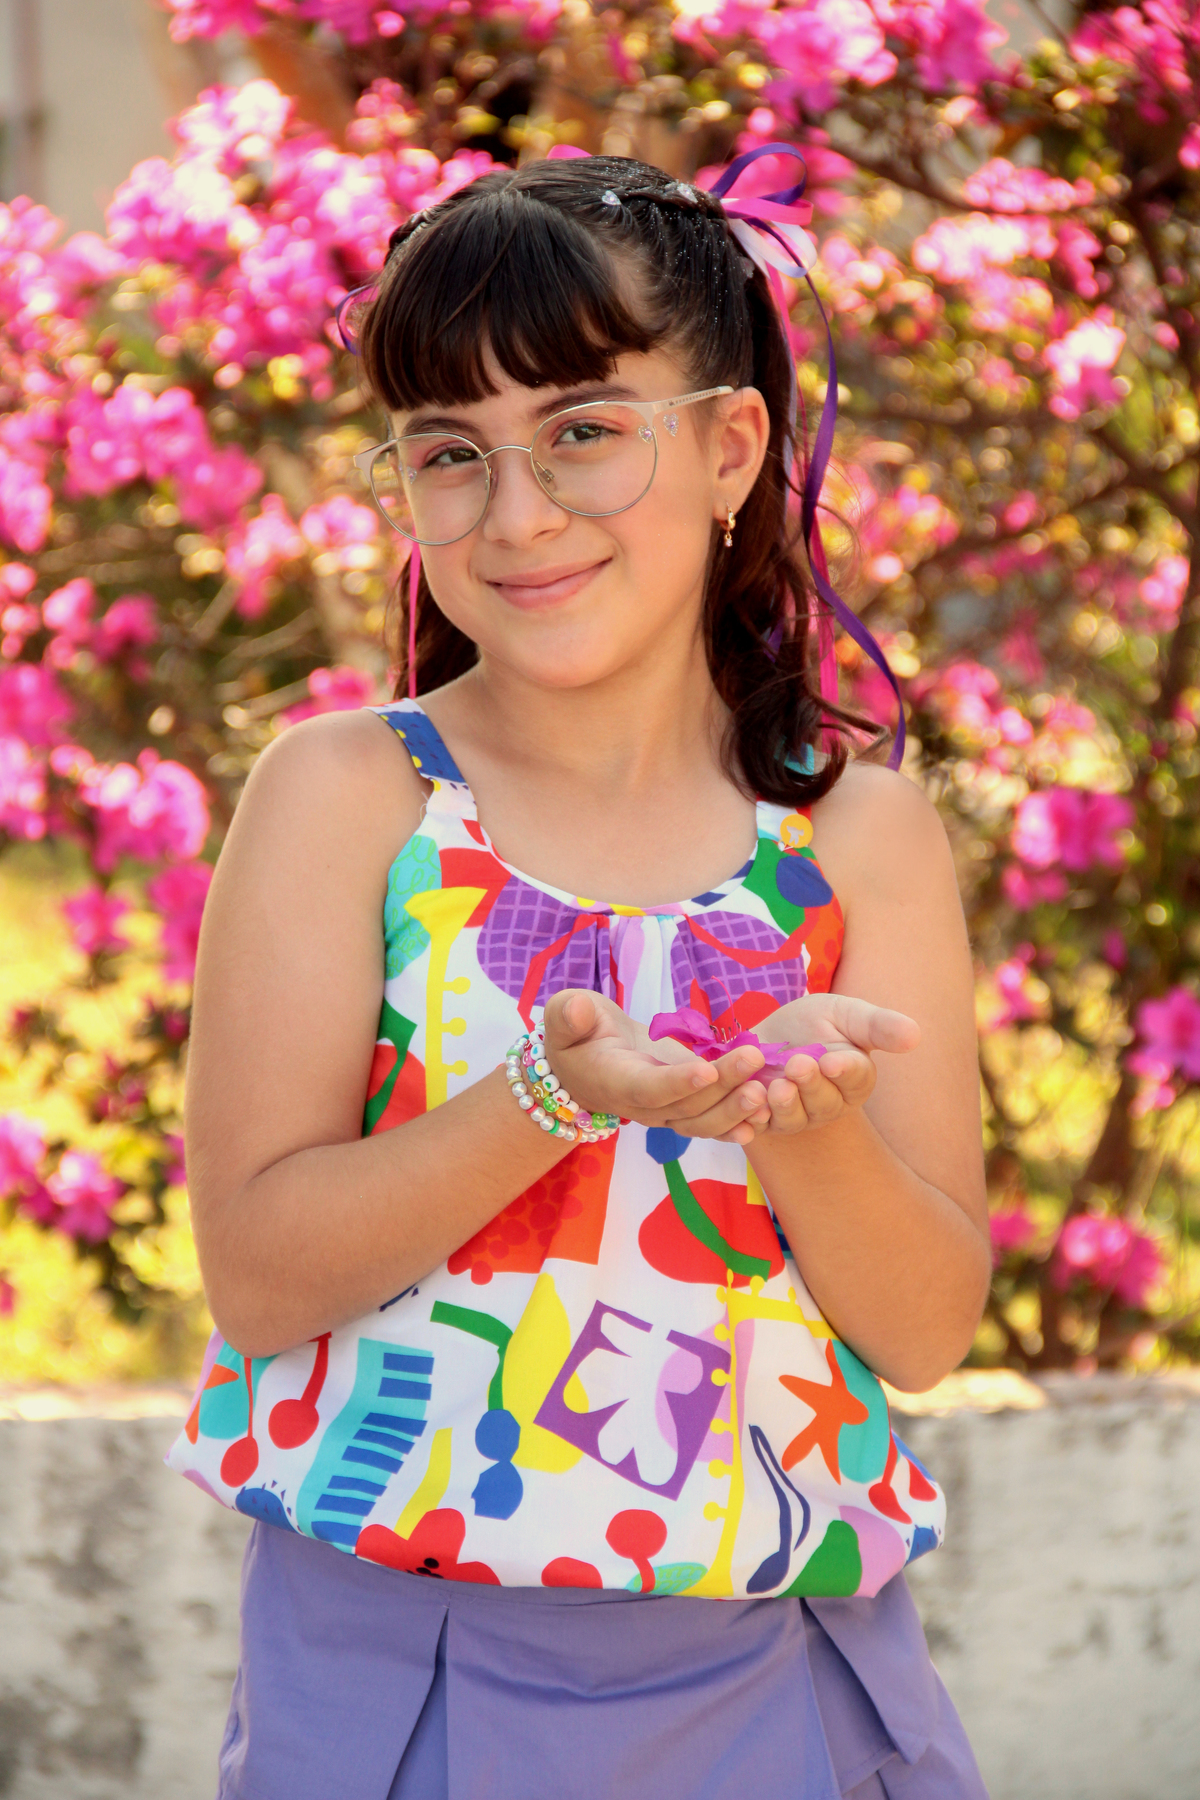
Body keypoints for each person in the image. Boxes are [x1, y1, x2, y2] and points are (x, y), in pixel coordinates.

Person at [170, 150, 992, 1800]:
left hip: (790, 1673)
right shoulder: (352, 800)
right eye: (450, 453)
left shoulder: (857, 840)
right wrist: (548, 1097)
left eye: (583, 430)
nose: (518, 512)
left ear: (731, 446)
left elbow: (923, 1331)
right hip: (405, 1674)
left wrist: (805, 1122)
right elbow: (259, 1276)